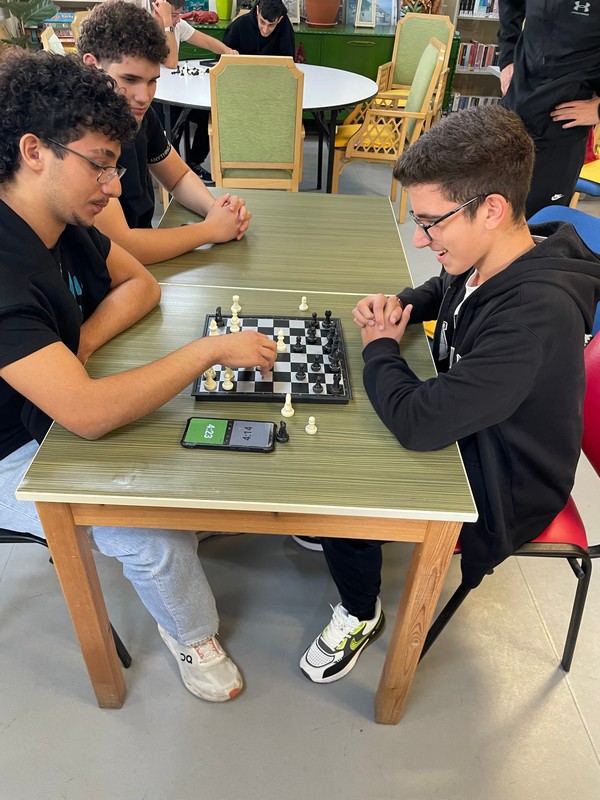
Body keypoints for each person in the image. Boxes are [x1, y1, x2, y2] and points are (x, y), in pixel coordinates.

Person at [0, 51, 277, 701]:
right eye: (99, 164)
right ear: (35, 151)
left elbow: (141, 285)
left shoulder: (60, 220)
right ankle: (193, 636)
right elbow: (89, 416)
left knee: (184, 439)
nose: (114, 186)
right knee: (148, 527)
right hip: (12, 448)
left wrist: (78, 346)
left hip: (57, 406)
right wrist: (208, 351)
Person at [300, 104, 600, 683]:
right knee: (351, 423)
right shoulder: (502, 250)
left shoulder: (533, 318)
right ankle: (346, 537)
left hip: (507, 483)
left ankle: (360, 611)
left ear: (491, 209)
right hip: (484, 427)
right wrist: (403, 305)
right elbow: (448, 287)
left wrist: (381, 346)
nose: (419, 237)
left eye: (431, 222)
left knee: (339, 480)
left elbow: (420, 423)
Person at [77, 0, 252, 266]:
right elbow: (123, 245)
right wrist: (210, 230)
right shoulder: (78, 135)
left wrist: (216, 211)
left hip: (141, 261)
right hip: (106, 272)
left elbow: (178, 177)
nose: (143, 97)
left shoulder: (139, 115)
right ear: (92, 66)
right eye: (130, 79)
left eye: (152, 81)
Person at [498, 0, 600, 218]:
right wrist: (507, 57)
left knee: (537, 223)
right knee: (491, 211)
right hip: (513, 111)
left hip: (560, 129)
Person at [152, 0, 238, 184]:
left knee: (209, 114)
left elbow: (205, 41)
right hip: (156, 100)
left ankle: (194, 163)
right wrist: (167, 22)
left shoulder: (176, 25)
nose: (178, 19)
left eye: (178, 15)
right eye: (174, 15)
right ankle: (174, 177)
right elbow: (171, 62)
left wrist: (227, 51)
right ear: (158, 9)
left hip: (176, 95)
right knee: (173, 127)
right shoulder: (148, 29)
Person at [223, 0, 295, 56]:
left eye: (271, 25)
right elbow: (223, 60)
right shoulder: (238, 26)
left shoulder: (285, 28)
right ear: (257, 10)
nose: (265, 30)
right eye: (262, 22)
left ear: (279, 19)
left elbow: (289, 62)